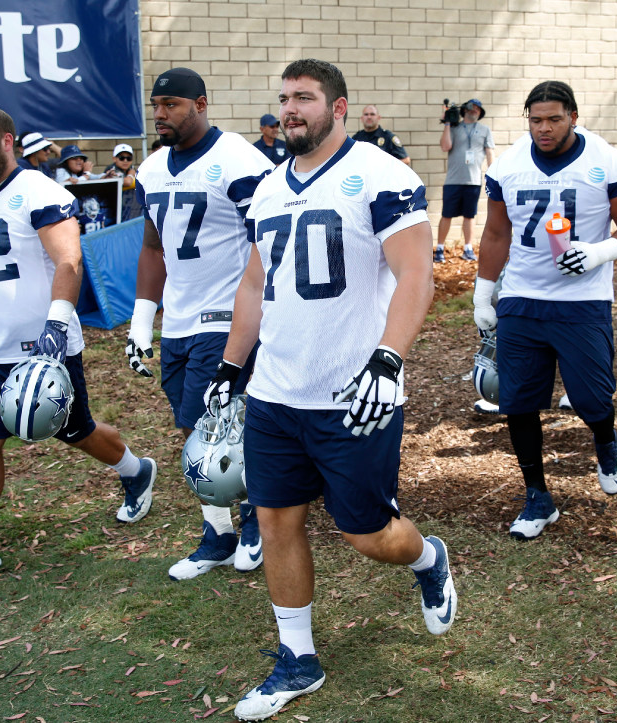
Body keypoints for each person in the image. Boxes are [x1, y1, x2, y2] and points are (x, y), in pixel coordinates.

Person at [204, 59, 455, 721]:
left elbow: (414, 277)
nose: (291, 109)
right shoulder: (266, 187)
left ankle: (427, 557)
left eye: (305, 98)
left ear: (339, 107)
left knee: (367, 533)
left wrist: (388, 359)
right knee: (274, 519)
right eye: (284, 98)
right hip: (276, 392)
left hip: (356, 393)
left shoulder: (381, 176)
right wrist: (232, 367)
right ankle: (298, 658)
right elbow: (256, 286)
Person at [0, 106, 157, 594]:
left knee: (75, 431)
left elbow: (68, 259)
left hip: (41, 346)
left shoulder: (40, 190)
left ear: (6, 141)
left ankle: (137, 470)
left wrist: (54, 329)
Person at [473, 81, 617, 539]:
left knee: (592, 399)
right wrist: (483, 293)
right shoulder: (510, 165)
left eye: (554, 118)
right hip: (523, 297)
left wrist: (600, 252)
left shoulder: (605, 160)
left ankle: (606, 443)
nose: (544, 128)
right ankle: (537, 496)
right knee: (518, 404)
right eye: (535, 120)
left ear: (574, 115)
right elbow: (495, 234)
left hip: (582, 299)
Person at [126, 67, 273, 581]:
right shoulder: (150, 168)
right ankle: (219, 533)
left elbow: (268, 241)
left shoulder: (237, 159)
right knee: (195, 427)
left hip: (228, 315)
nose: (161, 114)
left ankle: (255, 522)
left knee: (224, 422)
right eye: (156, 105)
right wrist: (143, 319)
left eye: (172, 104)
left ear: (201, 104)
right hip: (181, 320)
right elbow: (151, 247)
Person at [436, 98, 494, 262]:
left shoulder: (484, 130)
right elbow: (445, 146)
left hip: (473, 181)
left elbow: (490, 152)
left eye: (477, 108)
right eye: (471, 107)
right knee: (447, 214)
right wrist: (447, 123)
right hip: (453, 180)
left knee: (470, 215)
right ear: (465, 110)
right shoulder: (454, 128)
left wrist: (492, 173)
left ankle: (468, 248)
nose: (474, 110)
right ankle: (440, 248)